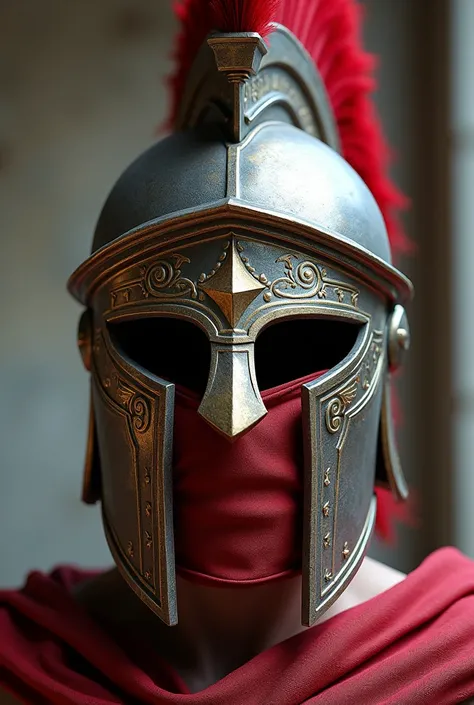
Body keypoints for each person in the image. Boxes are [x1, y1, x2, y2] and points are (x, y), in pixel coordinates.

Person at [2, 0, 474, 703]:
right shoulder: (25, 663)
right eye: (167, 345)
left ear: (389, 349)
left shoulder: (449, 662)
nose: (232, 414)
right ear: (93, 352)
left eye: (299, 344)